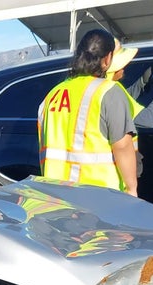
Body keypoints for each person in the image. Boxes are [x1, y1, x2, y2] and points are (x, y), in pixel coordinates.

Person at [38, 29, 138, 196]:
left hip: (57, 195)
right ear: (107, 59)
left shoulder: (52, 94)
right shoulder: (108, 91)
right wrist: (131, 188)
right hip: (99, 197)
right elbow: (122, 145)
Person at [106, 39, 153, 178]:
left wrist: (142, 81)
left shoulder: (102, 89)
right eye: (121, 64)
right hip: (111, 176)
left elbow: (126, 97)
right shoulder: (111, 93)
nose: (124, 68)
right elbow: (149, 119)